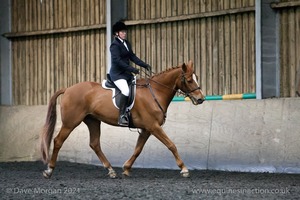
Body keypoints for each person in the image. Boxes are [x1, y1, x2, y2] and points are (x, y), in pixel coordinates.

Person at [109, 21, 151, 126]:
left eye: (124, 31)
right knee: (126, 91)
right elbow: (118, 62)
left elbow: (132, 57)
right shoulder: (114, 45)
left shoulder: (126, 43)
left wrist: (144, 65)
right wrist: (132, 69)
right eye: (122, 32)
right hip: (118, 75)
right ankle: (122, 115)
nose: (124, 33)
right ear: (117, 33)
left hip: (126, 74)